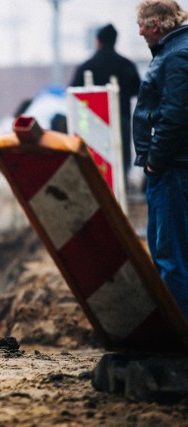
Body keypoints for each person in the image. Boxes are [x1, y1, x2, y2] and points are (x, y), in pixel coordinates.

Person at [132, 0, 188, 319]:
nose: (139, 31)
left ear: (156, 23)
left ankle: (179, 339)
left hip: (172, 169)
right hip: (175, 165)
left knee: (170, 257)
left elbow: (176, 114)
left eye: (142, 24)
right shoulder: (176, 49)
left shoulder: (177, 54)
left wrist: (155, 160)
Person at [70, 23, 142, 182]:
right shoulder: (126, 64)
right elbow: (138, 90)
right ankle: (121, 187)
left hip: (92, 122)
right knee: (120, 157)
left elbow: (73, 92)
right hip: (120, 119)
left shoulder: (86, 66)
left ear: (98, 41)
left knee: (95, 160)